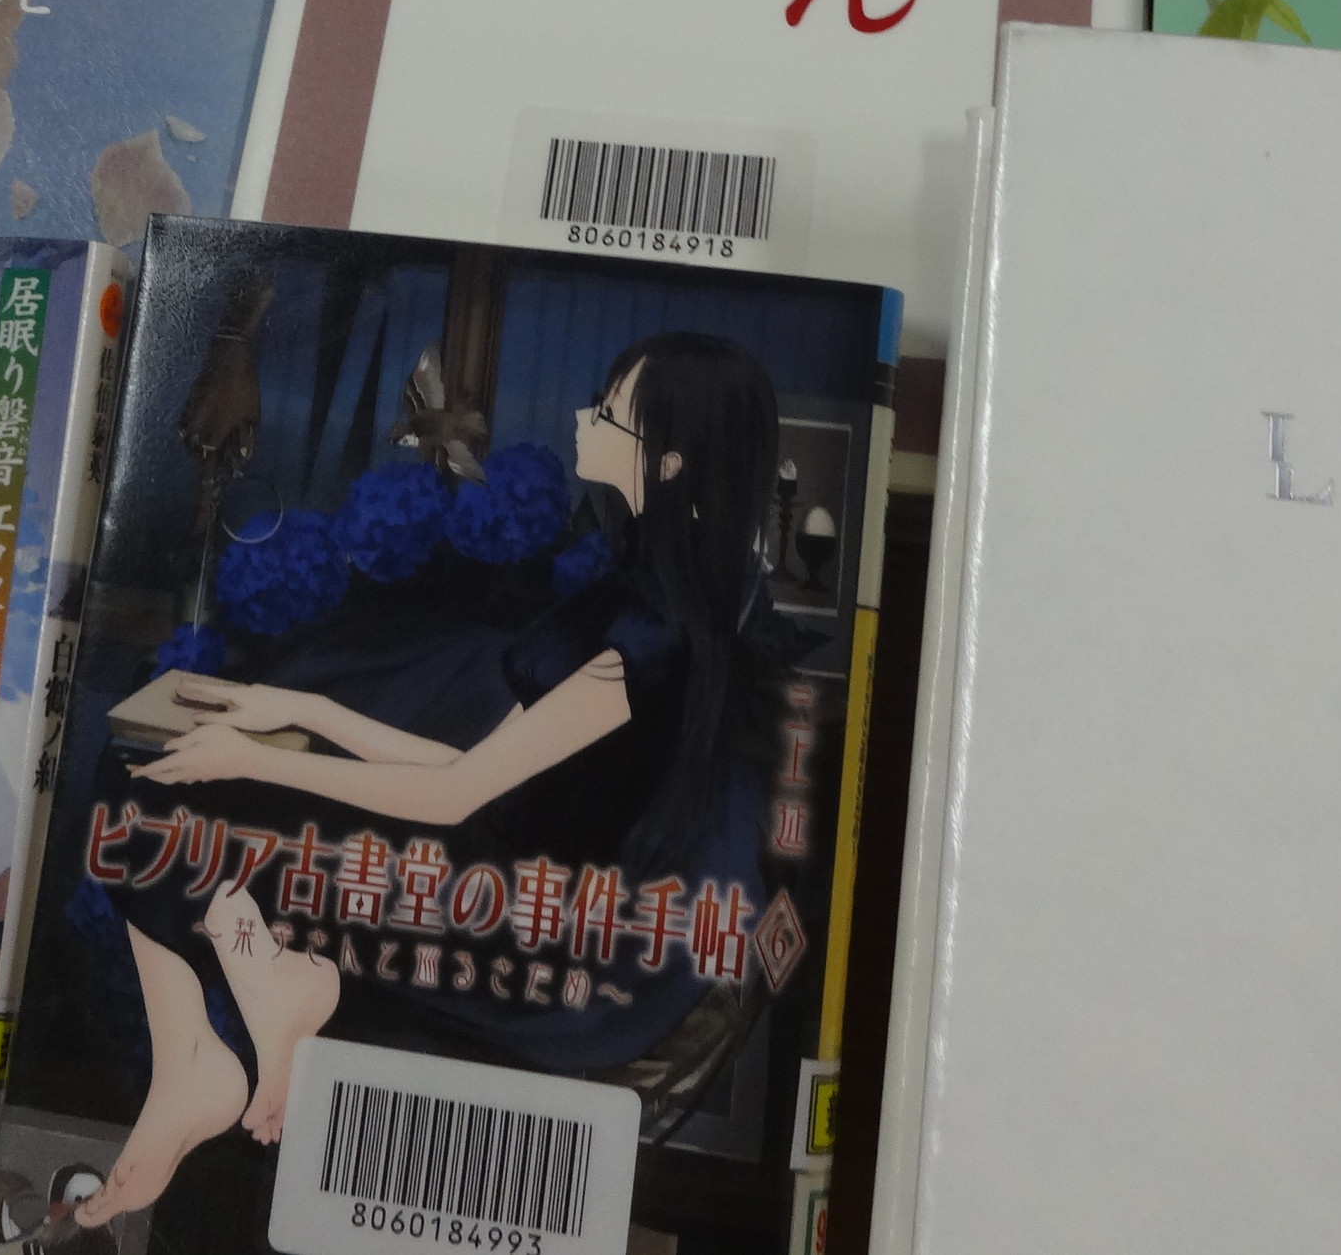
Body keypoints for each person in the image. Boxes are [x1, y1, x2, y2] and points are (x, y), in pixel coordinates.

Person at [68, 333, 800, 1228]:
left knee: (175, 795)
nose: (583, 418)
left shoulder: (654, 633)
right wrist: (293, 709)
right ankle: (198, 1059)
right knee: (168, 776)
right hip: (506, 860)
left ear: (672, 461)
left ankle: (216, 1048)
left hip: (546, 934)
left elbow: (457, 796)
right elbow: (466, 770)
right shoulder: (635, 594)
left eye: (609, 413)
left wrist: (253, 757)